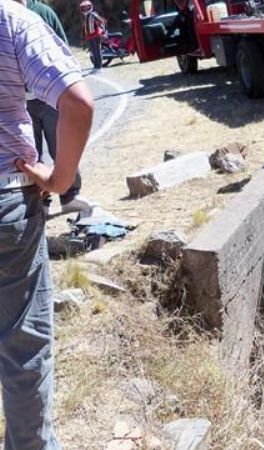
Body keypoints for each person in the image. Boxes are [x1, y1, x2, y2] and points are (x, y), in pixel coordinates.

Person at [0, 0, 94, 447]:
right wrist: (60, 179)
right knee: (23, 349)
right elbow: (76, 102)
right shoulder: (10, 19)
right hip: (6, 204)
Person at [20, 0, 96, 214]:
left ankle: (70, 195)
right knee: (29, 154)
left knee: (62, 145)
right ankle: (39, 204)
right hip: (20, 100)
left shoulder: (42, 12)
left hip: (50, 95)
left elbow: (61, 47)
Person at [80, 0, 107, 70]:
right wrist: (83, 38)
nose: (85, 9)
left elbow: (102, 21)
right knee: (93, 52)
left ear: (90, 7)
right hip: (89, 37)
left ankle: (99, 67)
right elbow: (84, 28)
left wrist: (103, 31)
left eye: (87, 7)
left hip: (96, 35)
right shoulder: (86, 17)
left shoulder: (93, 14)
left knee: (97, 51)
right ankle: (95, 66)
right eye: (84, 8)